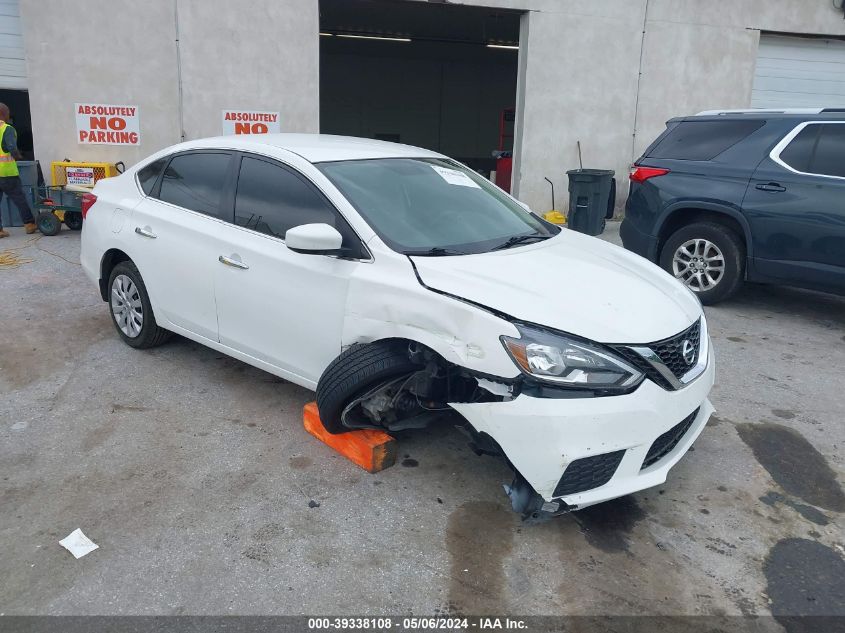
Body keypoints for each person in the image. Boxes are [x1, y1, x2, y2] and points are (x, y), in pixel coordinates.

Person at [0, 102, 36, 238]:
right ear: (4, 114)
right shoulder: (6, 129)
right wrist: (18, 157)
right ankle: (29, 224)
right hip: (7, 173)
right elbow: (11, 147)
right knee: (19, 198)